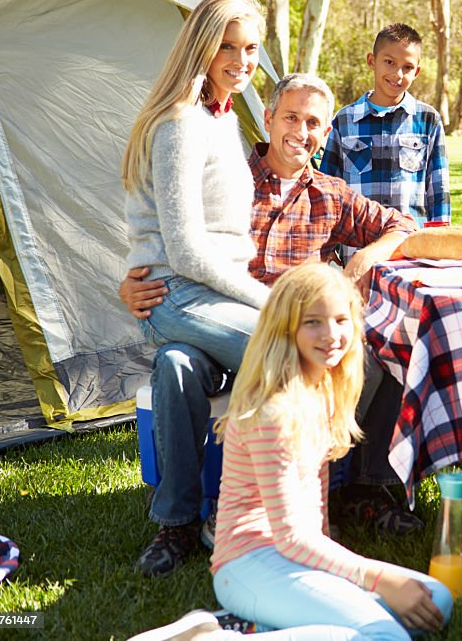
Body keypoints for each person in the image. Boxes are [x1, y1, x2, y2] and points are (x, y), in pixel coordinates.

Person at [122, 73, 418, 577]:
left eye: (313, 123)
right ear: (267, 118)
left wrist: (368, 254)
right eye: (291, 117)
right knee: (174, 363)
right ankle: (177, 521)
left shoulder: (331, 194)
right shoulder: (228, 177)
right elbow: (168, 232)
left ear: (325, 134)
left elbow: (402, 224)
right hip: (224, 326)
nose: (301, 131)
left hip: (297, 341)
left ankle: (352, 489)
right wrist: (128, 286)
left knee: (376, 352)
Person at [130, 264, 452, 640]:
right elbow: (291, 537)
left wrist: (335, 574)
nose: (332, 335)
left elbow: (313, 513)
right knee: (384, 635)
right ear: (286, 330)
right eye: (313, 322)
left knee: (435, 599)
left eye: (341, 320)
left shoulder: (323, 388)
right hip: (250, 562)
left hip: (299, 556)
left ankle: (249, 627)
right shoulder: (273, 410)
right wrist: (379, 578)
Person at [122, 0, 269, 370]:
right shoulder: (182, 124)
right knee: (297, 347)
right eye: (227, 47)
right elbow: (186, 253)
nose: (242, 61)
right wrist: (272, 301)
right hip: (176, 294)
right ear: (202, 47)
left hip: (214, 290)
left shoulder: (222, 119)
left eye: (251, 48)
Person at [319, 23, 449, 226]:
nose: (398, 74)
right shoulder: (344, 120)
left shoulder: (428, 120)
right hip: (358, 248)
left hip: (410, 246)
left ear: (417, 72)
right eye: (389, 62)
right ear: (372, 61)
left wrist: (440, 241)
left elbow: (438, 190)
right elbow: (327, 188)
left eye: (407, 67)